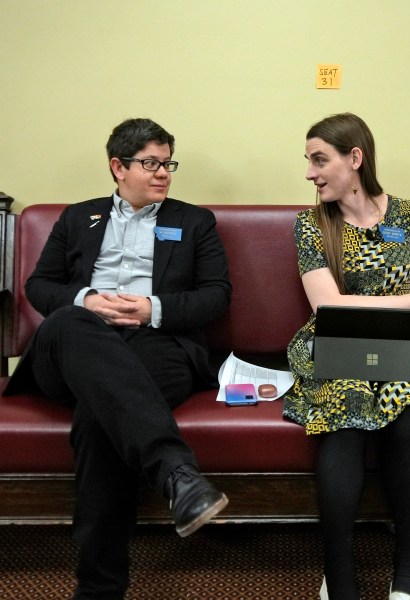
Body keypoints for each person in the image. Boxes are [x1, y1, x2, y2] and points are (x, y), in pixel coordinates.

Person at [4, 118, 232, 599]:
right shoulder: (76, 218)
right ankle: (177, 473)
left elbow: (216, 296)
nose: (163, 173)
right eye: (150, 163)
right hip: (73, 347)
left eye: (168, 163)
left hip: (157, 344)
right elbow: (39, 287)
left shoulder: (195, 222)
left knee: (98, 415)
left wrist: (155, 308)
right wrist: (86, 299)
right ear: (117, 167)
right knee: (68, 319)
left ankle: (98, 590)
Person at [283, 113, 410, 600]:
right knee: (346, 415)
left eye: (319, 160)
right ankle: (340, 577)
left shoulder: (408, 216)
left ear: (355, 159)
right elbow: (326, 304)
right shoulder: (310, 225)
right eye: (308, 161)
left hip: (398, 343)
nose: (310, 173)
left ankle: (407, 575)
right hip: (335, 339)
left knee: (408, 415)